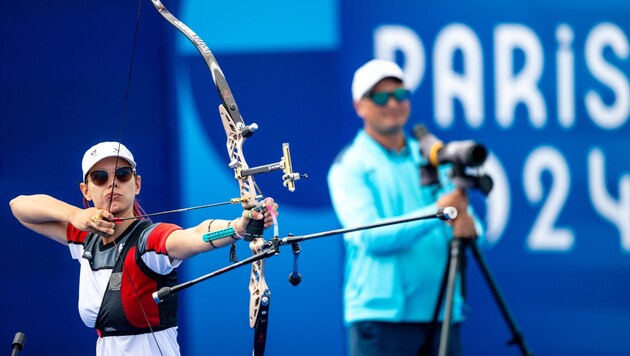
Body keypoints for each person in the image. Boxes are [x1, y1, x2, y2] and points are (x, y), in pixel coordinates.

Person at [9, 141, 279, 356]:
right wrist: (73, 215)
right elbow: (19, 207)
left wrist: (239, 226)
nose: (112, 183)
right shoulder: (83, 238)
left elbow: (194, 236)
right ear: (86, 189)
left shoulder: (149, 240)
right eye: (100, 177)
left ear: (136, 184)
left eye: (123, 174)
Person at [327, 59, 481, 356]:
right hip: (382, 320)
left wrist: (470, 226)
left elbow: (475, 232)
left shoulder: (432, 155)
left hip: (444, 316)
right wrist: (438, 212)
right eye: (380, 97)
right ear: (360, 106)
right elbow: (369, 237)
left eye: (399, 95)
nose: (392, 104)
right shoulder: (349, 166)